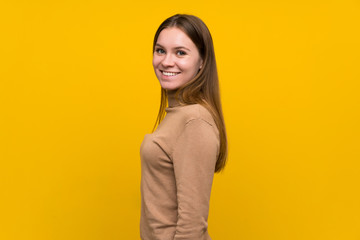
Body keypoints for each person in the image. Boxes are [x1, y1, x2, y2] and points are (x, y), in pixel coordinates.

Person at [140, 14, 228, 240]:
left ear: (201, 62)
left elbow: (191, 226)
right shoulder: (179, 115)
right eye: (160, 50)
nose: (166, 61)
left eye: (180, 52)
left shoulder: (194, 120)